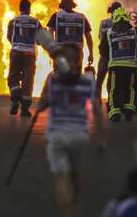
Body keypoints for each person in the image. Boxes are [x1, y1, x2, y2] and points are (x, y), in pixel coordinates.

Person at [38, 45, 105, 217]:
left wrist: (43, 102)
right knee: (75, 176)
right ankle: (73, 209)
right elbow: (97, 109)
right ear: (78, 62)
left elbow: (42, 104)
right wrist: (101, 139)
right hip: (79, 136)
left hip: (57, 135)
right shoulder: (88, 81)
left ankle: (68, 212)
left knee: (61, 178)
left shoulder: (52, 79)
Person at [99, 7, 137, 122]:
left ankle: (114, 112)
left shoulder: (109, 32)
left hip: (115, 67)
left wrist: (109, 56)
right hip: (131, 67)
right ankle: (129, 110)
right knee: (131, 88)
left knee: (114, 89)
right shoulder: (135, 31)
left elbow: (102, 50)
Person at [6, 0, 41, 117]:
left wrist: (16, 45)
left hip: (16, 52)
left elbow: (9, 36)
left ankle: (15, 99)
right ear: (29, 9)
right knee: (28, 80)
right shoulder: (35, 22)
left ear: (20, 9)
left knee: (13, 76)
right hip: (29, 55)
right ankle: (25, 109)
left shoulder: (13, 21)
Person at [47, 0, 94, 71]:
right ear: (72, 5)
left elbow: (50, 33)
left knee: (59, 78)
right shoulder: (81, 17)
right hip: (76, 53)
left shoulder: (56, 16)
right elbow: (88, 36)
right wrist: (91, 53)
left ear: (62, 5)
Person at [96, 1, 122, 102]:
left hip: (105, 56)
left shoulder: (104, 23)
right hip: (115, 56)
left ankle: (98, 100)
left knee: (100, 80)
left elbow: (100, 37)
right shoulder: (123, 24)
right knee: (112, 81)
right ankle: (111, 101)